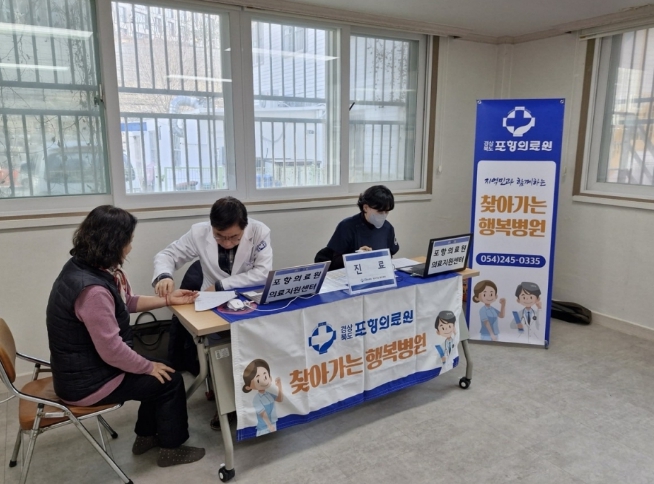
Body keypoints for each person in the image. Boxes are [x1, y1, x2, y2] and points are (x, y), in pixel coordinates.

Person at [45, 205, 204, 468]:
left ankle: (146, 437)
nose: (130, 247)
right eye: (128, 241)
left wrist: (168, 300)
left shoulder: (82, 267)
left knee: (161, 369)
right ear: (113, 243)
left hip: (82, 370)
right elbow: (112, 351)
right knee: (169, 379)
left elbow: (125, 302)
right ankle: (171, 449)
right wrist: (148, 367)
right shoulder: (93, 291)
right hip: (87, 384)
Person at [152, 196, 273, 294]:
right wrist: (164, 276)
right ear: (212, 225)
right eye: (219, 236)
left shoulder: (259, 232)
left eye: (234, 237)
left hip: (248, 295)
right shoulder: (199, 232)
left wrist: (221, 285)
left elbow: (263, 273)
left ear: (244, 227)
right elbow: (167, 255)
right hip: (211, 297)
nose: (227, 243)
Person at [317, 185, 399, 270]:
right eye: (380, 211)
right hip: (351, 272)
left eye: (387, 212)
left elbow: (390, 254)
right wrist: (356, 255)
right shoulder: (347, 226)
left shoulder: (387, 228)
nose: (384, 215)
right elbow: (334, 262)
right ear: (366, 207)